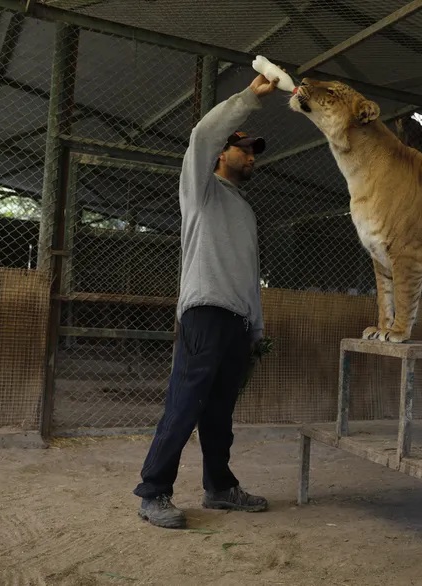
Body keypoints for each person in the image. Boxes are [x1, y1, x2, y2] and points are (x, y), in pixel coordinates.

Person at [133, 72, 280, 529]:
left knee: (219, 412)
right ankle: (154, 491)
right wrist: (249, 99)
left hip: (237, 321)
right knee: (186, 403)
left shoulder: (247, 209)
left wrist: (254, 328)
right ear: (220, 155)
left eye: (255, 151)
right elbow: (201, 134)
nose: (251, 156)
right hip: (204, 313)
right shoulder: (200, 191)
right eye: (244, 148)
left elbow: (250, 275)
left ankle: (219, 487)